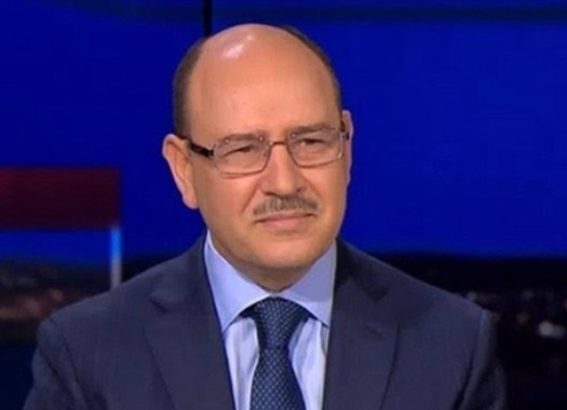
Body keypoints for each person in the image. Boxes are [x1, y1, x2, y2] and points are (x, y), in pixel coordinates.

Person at [24, 24, 506, 410]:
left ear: (347, 146)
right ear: (184, 169)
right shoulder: (88, 352)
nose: (284, 181)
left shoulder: (452, 345)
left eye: (311, 141)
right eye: (243, 149)